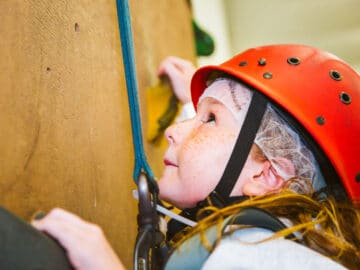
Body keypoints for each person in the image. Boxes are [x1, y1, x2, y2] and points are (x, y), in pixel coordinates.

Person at [32, 44, 360, 269]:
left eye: (211, 119)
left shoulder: (267, 258)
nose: (174, 130)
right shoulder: (272, 245)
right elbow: (233, 157)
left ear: (267, 176)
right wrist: (204, 111)